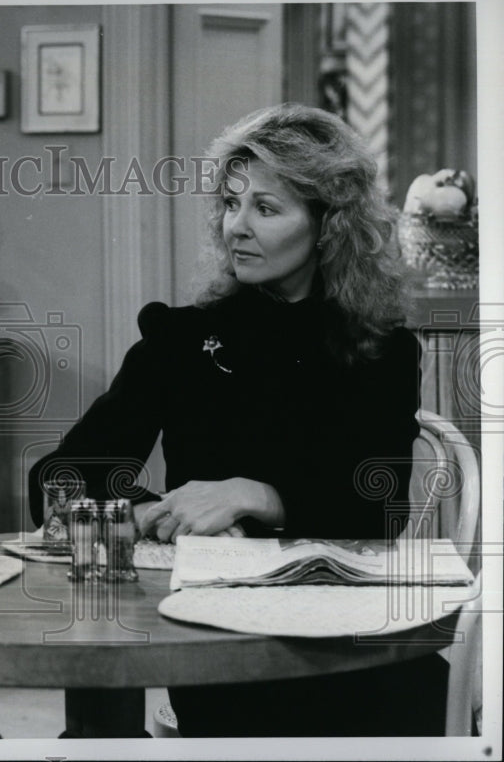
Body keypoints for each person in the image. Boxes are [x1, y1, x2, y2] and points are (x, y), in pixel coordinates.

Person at [29, 103, 447, 737]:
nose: (235, 228)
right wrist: (151, 512)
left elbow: (374, 510)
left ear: (328, 225)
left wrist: (257, 494)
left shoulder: (381, 350)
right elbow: (56, 480)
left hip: (353, 645)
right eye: (230, 203)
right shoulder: (181, 340)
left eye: (266, 208)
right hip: (219, 645)